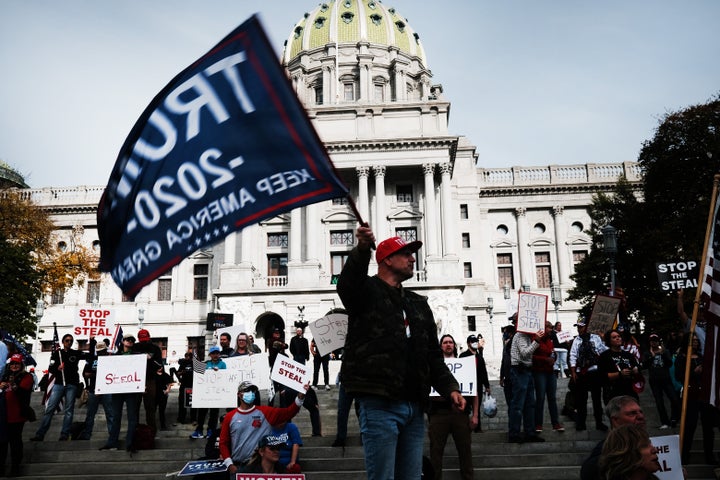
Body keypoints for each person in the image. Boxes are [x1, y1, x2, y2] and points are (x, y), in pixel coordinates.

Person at [336, 227, 464, 480]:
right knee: (382, 476)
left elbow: (431, 353)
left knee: (411, 476)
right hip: (379, 402)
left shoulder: (418, 303)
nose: (413, 259)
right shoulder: (366, 292)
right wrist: (362, 249)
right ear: (387, 259)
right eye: (405, 253)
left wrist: (450, 387)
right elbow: (347, 285)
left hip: (414, 405)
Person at [219, 381, 306, 475]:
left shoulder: (265, 412)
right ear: (239, 394)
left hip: (259, 466)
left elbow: (289, 412)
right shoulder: (229, 417)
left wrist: (300, 397)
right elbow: (223, 443)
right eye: (247, 390)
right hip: (238, 466)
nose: (251, 393)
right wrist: (229, 465)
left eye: (253, 391)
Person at [30, 333, 93, 442]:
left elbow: (90, 355)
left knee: (69, 411)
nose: (69, 342)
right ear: (63, 342)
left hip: (72, 384)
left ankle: (64, 434)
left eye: (71, 341)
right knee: (50, 409)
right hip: (59, 384)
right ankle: (40, 434)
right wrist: (57, 368)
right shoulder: (56, 354)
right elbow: (51, 368)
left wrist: (92, 342)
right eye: (67, 340)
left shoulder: (75, 353)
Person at [428, 334, 474, 480]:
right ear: (441, 346)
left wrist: (476, 414)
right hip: (438, 412)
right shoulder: (434, 367)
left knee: (465, 451)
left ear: (454, 345)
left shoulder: (465, 364)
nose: (448, 345)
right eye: (445, 342)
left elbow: (474, 391)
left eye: (450, 342)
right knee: (435, 452)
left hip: (460, 413)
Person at [580, 395, 647, 480]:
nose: (641, 417)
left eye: (641, 412)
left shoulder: (647, 445)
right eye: (632, 413)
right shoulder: (604, 451)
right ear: (615, 420)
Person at [674, 332, 717, 465]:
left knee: (708, 427)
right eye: (693, 339)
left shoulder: (701, 357)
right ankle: (685, 456)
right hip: (690, 394)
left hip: (704, 395)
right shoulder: (682, 358)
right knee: (689, 426)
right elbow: (678, 376)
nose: (696, 341)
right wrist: (693, 373)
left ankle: (709, 456)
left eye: (697, 339)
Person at [100, 334, 142, 452]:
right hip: (118, 389)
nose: (130, 342)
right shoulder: (115, 356)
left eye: (132, 340)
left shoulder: (137, 355)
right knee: (116, 417)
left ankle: (130, 443)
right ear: (122, 341)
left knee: (132, 417)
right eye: (128, 340)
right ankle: (112, 442)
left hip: (131, 388)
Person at [569, 320, 608, 431]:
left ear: (587, 327)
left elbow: (604, 351)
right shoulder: (576, 340)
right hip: (582, 373)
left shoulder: (595, 338)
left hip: (595, 372)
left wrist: (604, 339)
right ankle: (581, 423)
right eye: (578, 327)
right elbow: (573, 355)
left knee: (596, 399)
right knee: (581, 400)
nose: (579, 329)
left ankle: (599, 422)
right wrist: (573, 372)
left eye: (581, 327)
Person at [508, 328, 545, 443]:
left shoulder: (527, 336)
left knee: (530, 404)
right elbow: (525, 353)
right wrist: (537, 341)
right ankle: (514, 433)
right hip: (520, 370)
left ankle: (530, 432)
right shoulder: (520, 335)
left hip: (526, 370)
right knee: (518, 404)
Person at [0, 353, 34, 477]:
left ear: (21, 365)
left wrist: (13, 384)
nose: (14, 366)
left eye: (17, 364)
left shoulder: (27, 376)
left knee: (15, 442)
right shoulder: (5, 375)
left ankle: (15, 468)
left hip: (17, 415)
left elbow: (23, 393)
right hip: (3, 415)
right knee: (2, 443)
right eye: (12, 363)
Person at [642, 333, 679, 429]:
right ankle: (665, 422)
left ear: (658, 341)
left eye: (655, 340)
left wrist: (662, 354)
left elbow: (670, 363)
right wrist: (652, 356)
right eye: (652, 341)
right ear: (650, 342)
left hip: (666, 379)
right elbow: (644, 365)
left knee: (674, 399)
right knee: (659, 402)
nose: (654, 342)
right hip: (654, 381)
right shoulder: (647, 353)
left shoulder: (665, 351)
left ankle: (674, 419)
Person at [533, 321, 564, 433]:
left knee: (552, 398)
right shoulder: (536, 341)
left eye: (551, 328)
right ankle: (538, 424)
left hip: (550, 371)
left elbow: (552, 353)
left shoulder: (550, 341)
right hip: (539, 372)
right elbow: (532, 357)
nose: (550, 330)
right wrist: (545, 359)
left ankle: (555, 423)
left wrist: (553, 357)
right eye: (548, 327)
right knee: (540, 398)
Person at [79, 342, 114, 440]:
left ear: (106, 350)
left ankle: (112, 435)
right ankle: (87, 434)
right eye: (99, 351)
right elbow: (85, 374)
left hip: (107, 389)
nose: (101, 353)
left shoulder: (111, 360)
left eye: (103, 351)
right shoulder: (91, 359)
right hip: (93, 389)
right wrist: (87, 384)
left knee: (110, 413)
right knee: (90, 414)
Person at [132, 328, 163, 437]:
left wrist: (150, 359)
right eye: (142, 340)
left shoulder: (155, 348)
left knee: (150, 407)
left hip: (150, 379)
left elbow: (160, 365)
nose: (144, 342)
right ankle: (134, 430)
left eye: (145, 339)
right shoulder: (134, 347)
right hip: (135, 379)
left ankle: (152, 431)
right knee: (134, 407)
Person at [191, 345, 226, 439]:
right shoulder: (206, 364)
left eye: (217, 353)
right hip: (205, 392)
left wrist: (219, 372)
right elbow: (199, 376)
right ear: (210, 355)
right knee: (202, 412)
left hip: (216, 392)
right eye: (213, 353)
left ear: (219, 354)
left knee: (214, 413)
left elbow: (226, 376)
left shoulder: (223, 364)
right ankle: (199, 430)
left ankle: (211, 430)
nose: (215, 355)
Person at [598, 329, 641, 403]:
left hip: (630, 392)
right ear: (609, 341)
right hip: (613, 394)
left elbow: (637, 368)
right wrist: (619, 374)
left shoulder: (628, 355)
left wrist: (635, 370)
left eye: (619, 336)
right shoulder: (604, 356)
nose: (618, 338)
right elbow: (601, 376)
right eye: (614, 337)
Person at [459, 334, 490, 433]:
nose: (475, 343)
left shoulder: (480, 357)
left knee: (477, 407)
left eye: (476, 341)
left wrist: (487, 386)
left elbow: (484, 372)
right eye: (473, 341)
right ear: (468, 343)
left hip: (478, 385)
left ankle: (477, 427)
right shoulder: (463, 356)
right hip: (467, 386)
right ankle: (464, 426)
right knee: (465, 407)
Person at [175, 351, 195, 425]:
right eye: (186, 356)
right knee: (182, 402)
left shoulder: (194, 364)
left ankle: (193, 419)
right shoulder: (183, 364)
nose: (187, 358)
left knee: (192, 403)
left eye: (189, 356)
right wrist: (182, 372)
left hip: (192, 385)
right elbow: (178, 373)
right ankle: (181, 418)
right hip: (184, 385)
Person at [156, 366, 173, 430]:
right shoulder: (153, 374)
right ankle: (152, 426)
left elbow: (170, 383)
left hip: (163, 395)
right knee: (152, 411)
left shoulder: (165, 375)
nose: (159, 368)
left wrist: (168, 390)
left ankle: (163, 425)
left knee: (162, 411)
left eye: (160, 367)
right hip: (154, 395)